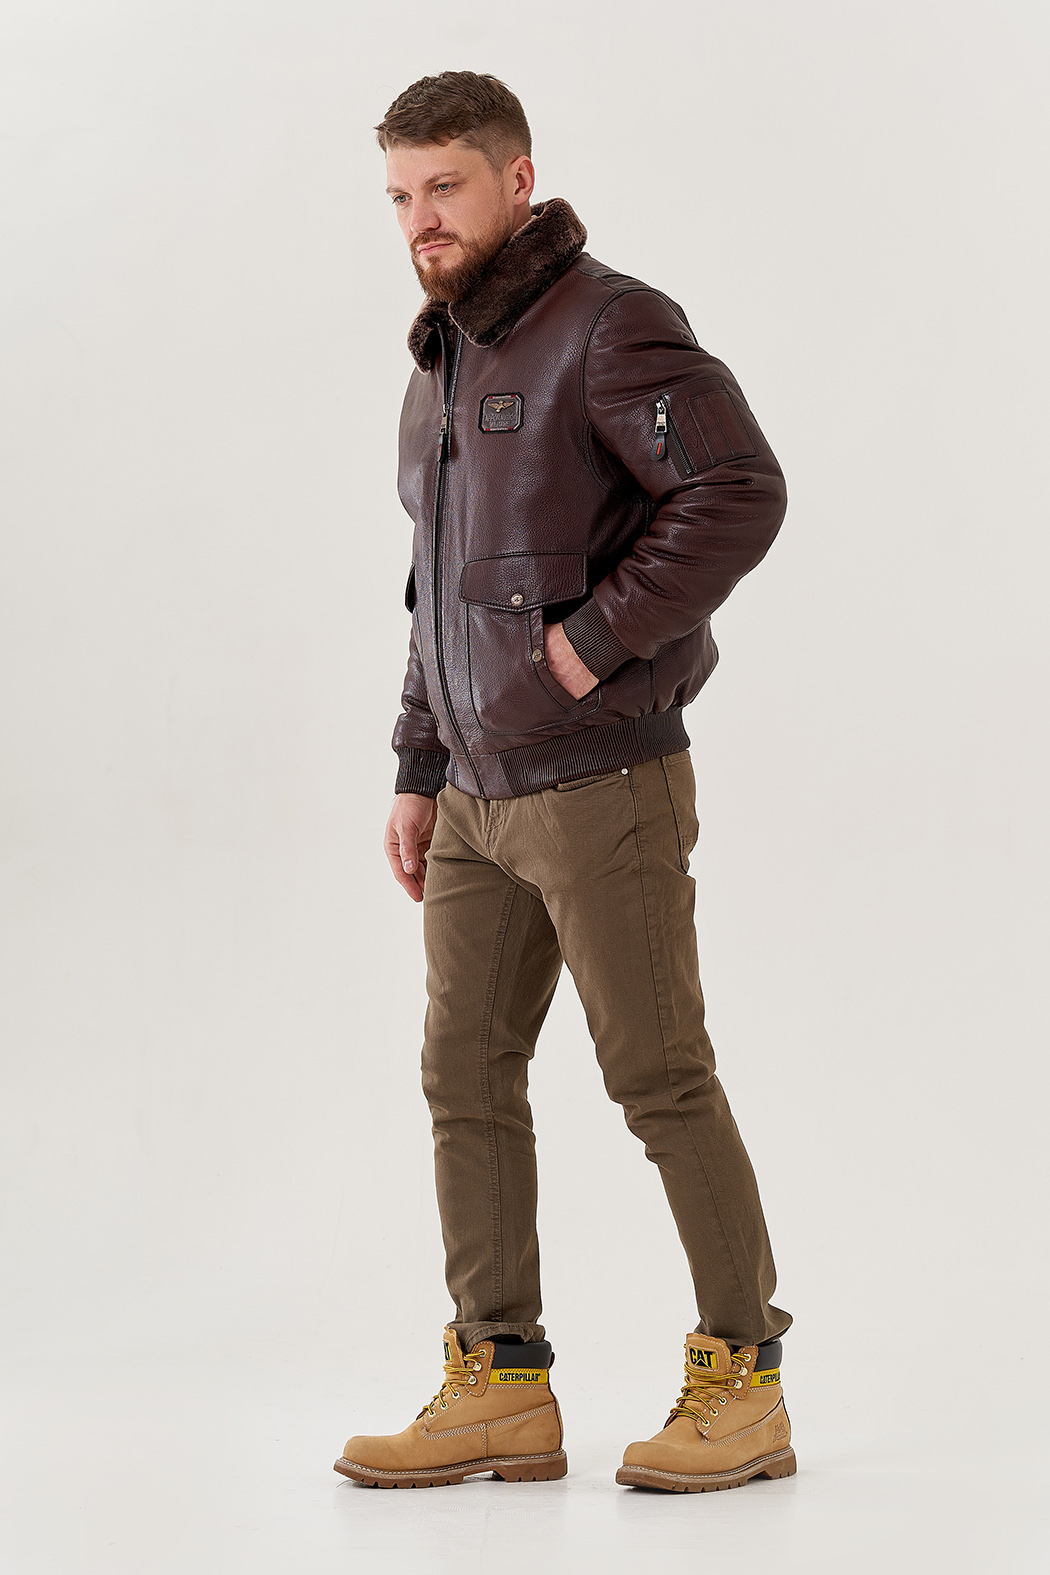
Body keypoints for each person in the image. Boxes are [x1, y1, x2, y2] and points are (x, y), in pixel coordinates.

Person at [334, 71, 794, 1494]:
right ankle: (501, 1383)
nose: (421, 218)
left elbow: (738, 491)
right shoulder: (443, 363)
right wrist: (418, 766)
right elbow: (436, 594)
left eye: (446, 187)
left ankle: (745, 1381)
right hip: (473, 800)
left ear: (517, 180)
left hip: (600, 784)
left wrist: (589, 649)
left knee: (656, 1074)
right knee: (463, 1076)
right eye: (400, 196)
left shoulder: (609, 324)